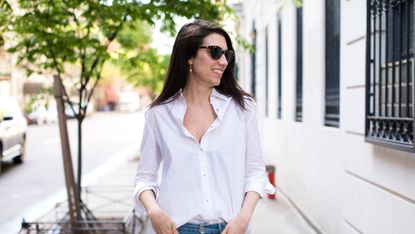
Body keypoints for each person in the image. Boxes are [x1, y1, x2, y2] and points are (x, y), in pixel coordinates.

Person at [133, 20, 275, 234]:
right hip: (175, 228)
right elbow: (145, 178)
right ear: (189, 56)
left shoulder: (242, 109)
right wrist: (154, 212)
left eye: (227, 55)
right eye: (215, 52)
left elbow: (255, 173)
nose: (224, 61)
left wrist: (244, 219)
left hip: (229, 228)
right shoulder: (159, 115)